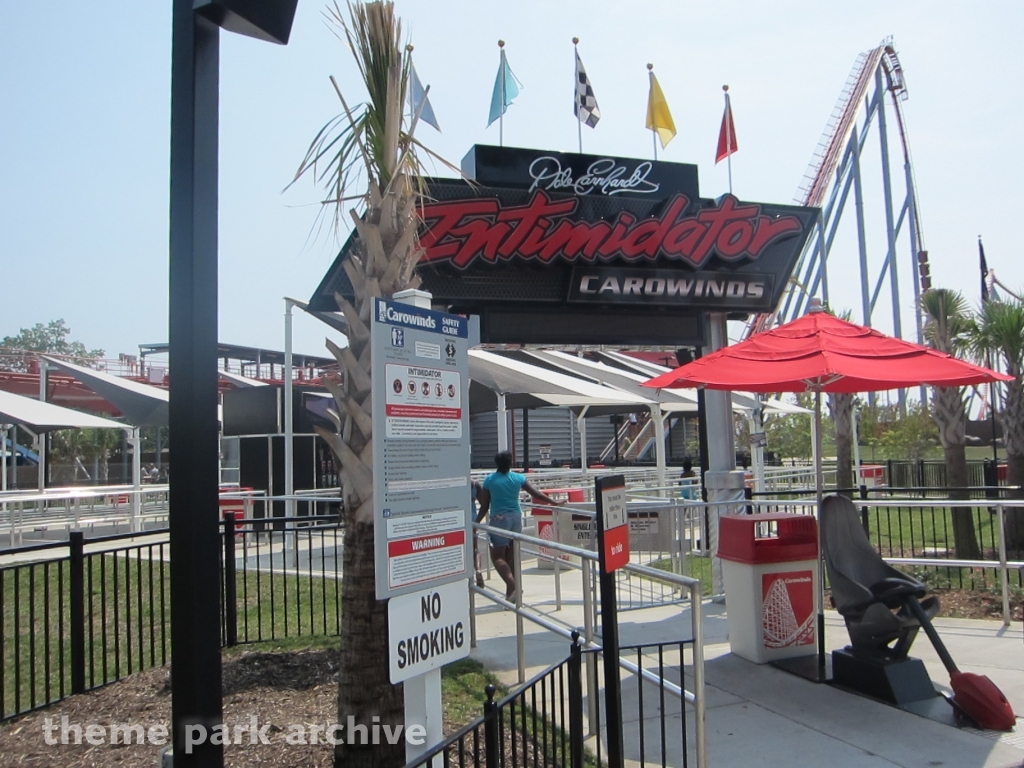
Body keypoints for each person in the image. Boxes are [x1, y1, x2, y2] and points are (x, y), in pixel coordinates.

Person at [478, 451, 565, 601]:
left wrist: (476, 522)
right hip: (516, 518)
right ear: (510, 463)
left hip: (499, 519)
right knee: (511, 556)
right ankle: (512, 594)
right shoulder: (518, 478)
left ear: (496, 463)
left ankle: (513, 586)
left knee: (498, 557)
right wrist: (555, 503)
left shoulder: (489, 480)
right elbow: (536, 494)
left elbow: (485, 505)